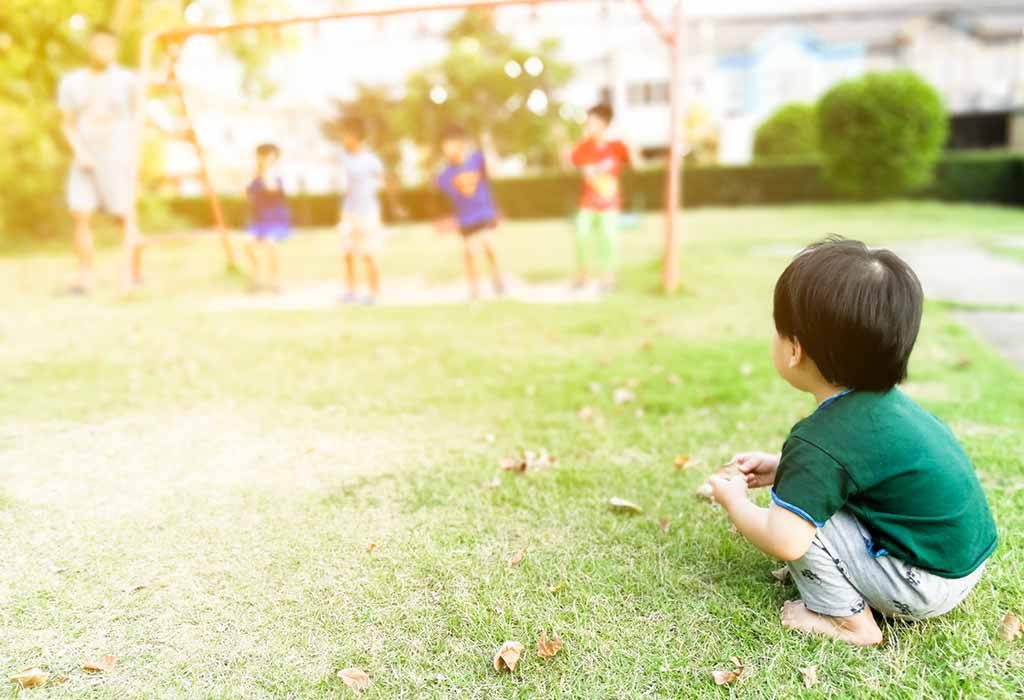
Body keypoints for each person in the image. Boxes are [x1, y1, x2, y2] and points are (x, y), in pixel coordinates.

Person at [708, 238, 997, 646]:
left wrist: (734, 501)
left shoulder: (819, 441)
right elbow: (859, 471)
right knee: (808, 497)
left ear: (794, 350)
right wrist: (782, 467)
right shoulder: (889, 408)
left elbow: (785, 541)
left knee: (801, 522)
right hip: (960, 565)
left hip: (923, 586)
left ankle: (849, 624)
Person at [58, 24, 143, 295]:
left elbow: (141, 117)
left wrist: (132, 153)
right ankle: (84, 278)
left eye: (107, 45)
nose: (101, 51)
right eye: (97, 45)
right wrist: (80, 151)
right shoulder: (72, 82)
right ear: (89, 47)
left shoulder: (128, 80)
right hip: (85, 158)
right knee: (80, 214)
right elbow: (67, 124)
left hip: (118, 157)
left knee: (124, 217)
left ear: (115, 48)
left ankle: (134, 273)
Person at [436, 126, 505, 301]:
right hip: (465, 218)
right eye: (444, 146)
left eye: (450, 144)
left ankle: (497, 278)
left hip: (483, 211)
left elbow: (492, 172)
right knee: (469, 251)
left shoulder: (476, 159)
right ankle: (474, 288)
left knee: (488, 244)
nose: (447, 149)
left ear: (460, 144)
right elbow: (446, 200)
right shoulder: (445, 173)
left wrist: (488, 147)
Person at [570, 103, 630, 292]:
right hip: (588, 202)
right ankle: (583, 275)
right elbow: (578, 167)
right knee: (581, 234)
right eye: (588, 123)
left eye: (593, 122)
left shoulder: (617, 147)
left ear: (604, 124)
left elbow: (634, 161)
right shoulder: (583, 148)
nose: (588, 126)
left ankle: (608, 277)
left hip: (609, 202)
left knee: (609, 239)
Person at [338, 117, 383, 305]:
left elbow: (380, 180)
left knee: (368, 253)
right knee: (347, 252)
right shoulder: (344, 159)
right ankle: (351, 291)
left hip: (367, 213)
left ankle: (373, 292)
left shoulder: (370, 160)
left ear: (355, 136)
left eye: (346, 135)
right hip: (349, 212)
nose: (343, 139)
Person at [245, 143, 291, 293]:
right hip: (260, 222)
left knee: (271, 244)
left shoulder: (276, 176)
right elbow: (249, 194)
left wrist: (264, 172)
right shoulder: (254, 177)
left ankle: (276, 281)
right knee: (248, 244)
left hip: (276, 221)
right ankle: (257, 277)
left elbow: (271, 190)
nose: (264, 159)